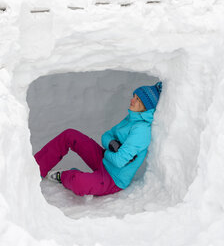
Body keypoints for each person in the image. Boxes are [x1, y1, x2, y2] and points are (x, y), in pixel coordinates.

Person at [34, 82, 162, 197]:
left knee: (78, 182)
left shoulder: (141, 132)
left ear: (146, 107)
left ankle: (64, 176)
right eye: (134, 96)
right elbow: (106, 136)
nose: (132, 100)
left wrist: (108, 151)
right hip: (104, 160)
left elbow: (119, 162)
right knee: (70, 135)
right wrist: (112, 144)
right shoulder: (131, 118)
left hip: (113, 179)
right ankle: (35, 169)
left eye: (138, 99)